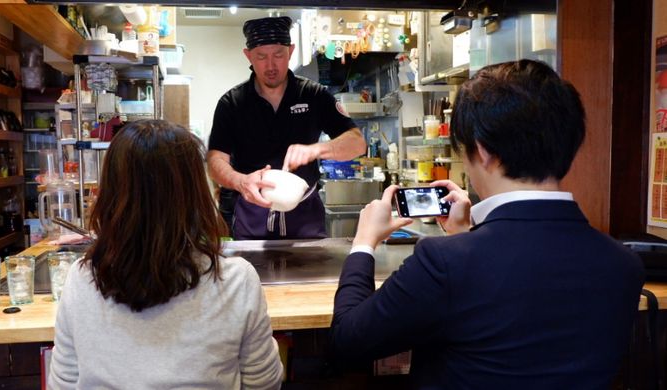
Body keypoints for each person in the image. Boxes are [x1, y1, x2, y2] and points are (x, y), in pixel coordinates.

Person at [330, 60, 644, 388]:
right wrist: (464, 236)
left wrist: (363, 243)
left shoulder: (443, 262)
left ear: (483, 151)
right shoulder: (623, 264)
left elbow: (348, 342)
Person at [48, 120, 283, 389]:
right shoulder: (236, 280)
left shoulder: (80, 278)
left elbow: (63, 384)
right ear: (195, 194)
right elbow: (264, 383)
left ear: (111, 193)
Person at [207, 16, 366, 240]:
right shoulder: (232, 103)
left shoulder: (314, 95)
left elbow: (357, 143)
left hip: (304, 217)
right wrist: (241, 182)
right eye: (261, 56)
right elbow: (215, 162)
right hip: (252, 213)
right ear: (248, 55)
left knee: (311, 274)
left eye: (279, 55)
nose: (271, 65)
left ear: (290, 51)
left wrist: (317, 150)